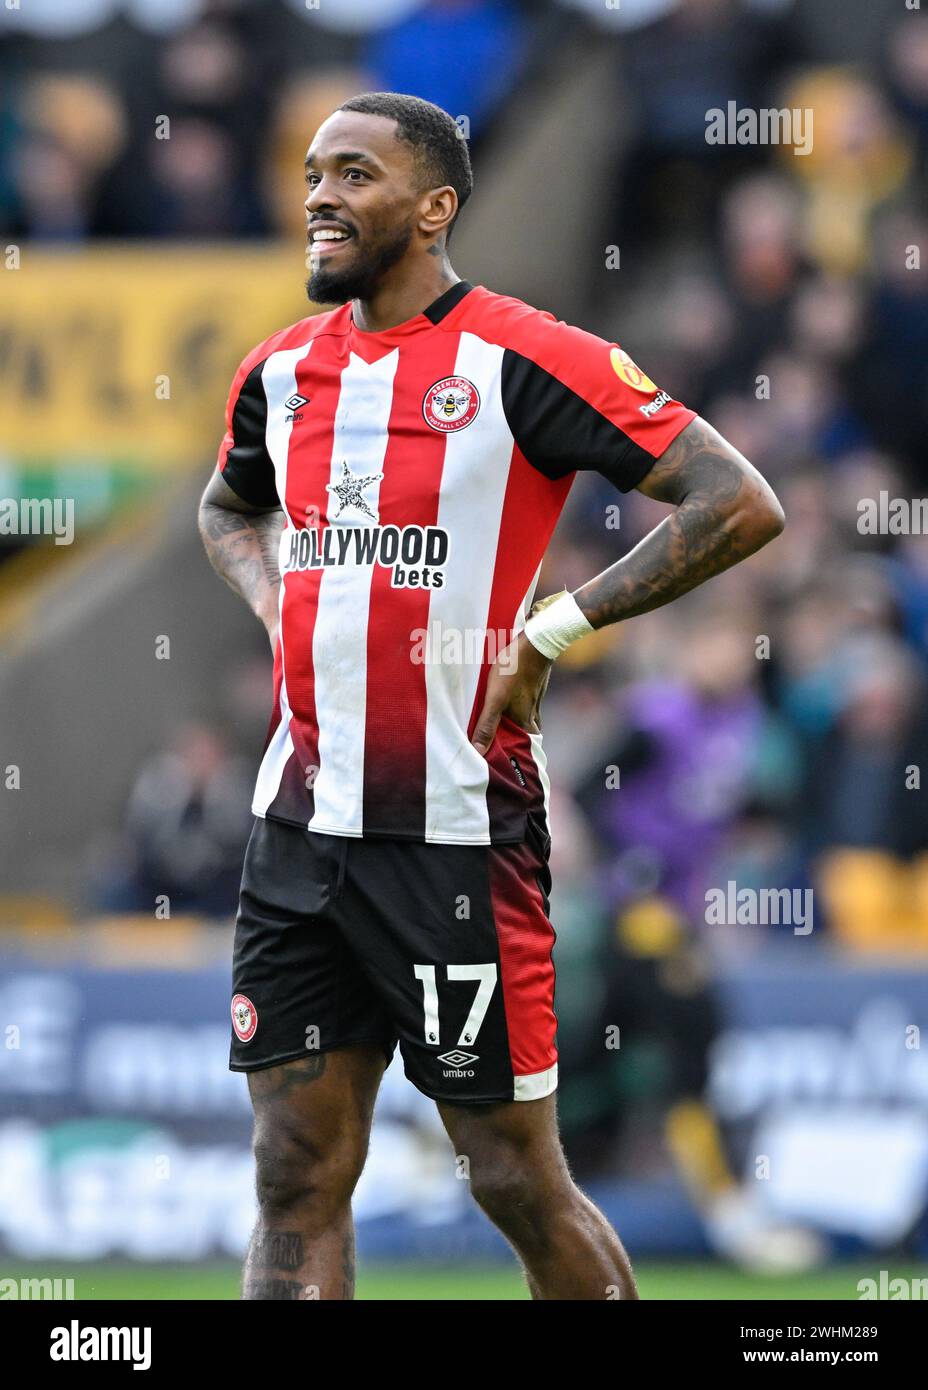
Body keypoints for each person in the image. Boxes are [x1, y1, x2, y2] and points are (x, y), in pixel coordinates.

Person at [198, 91, 784, 1301]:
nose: (319, 195)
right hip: (300, 829)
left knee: (514, 1177)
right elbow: (226, 505)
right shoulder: (283, 373)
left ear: (434, 205)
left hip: (456, 835)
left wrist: (557, 629)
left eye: (353, 174)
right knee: (292, 1171)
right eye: (310, 173)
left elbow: (737, 498)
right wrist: (272, 600)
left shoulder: (522, 358)